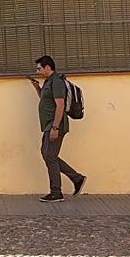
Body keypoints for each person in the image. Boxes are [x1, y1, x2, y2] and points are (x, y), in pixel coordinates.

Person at [28, 55, 86, 202]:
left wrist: (55, 127)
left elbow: (60, 105)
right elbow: (45, 99)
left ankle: (56, 192)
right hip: (48, 125)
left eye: (39, 68)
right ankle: (77, 178)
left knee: (50, 156)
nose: (38, 71)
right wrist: (37, 88)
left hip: (55, 125)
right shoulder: (48, 82)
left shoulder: (57, 82)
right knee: (47, 154)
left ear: (48, 67)